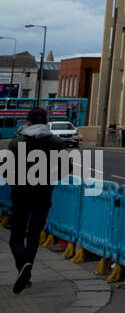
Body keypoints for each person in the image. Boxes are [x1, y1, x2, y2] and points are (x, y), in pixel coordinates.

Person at [7, 108, 69, 294]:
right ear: (47, 121)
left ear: (28, 122)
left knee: (16, 236)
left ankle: (23, 265)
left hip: (21, 194)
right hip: (43, 195)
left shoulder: (17, 142)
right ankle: (26, 273)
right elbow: (66, 168)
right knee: (34, 235)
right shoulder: (56, 142)